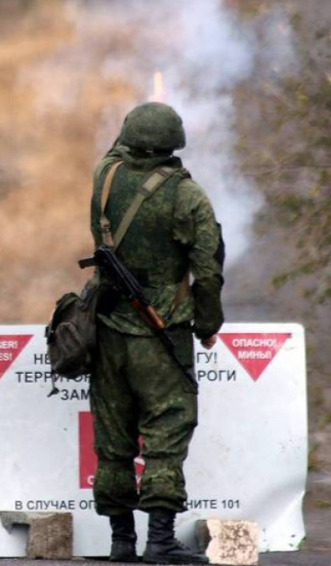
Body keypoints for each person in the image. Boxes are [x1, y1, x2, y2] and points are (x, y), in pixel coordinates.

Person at [88, 103, 225, 565]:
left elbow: (114, 152)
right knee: (166, 429)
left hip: (106, 327)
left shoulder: (103, 178)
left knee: (113, 436)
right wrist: (207, 324)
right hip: (161, 329)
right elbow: (207, 270)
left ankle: (120, 541)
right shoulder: (189, 197)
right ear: (176, 145)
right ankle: (160, 541)